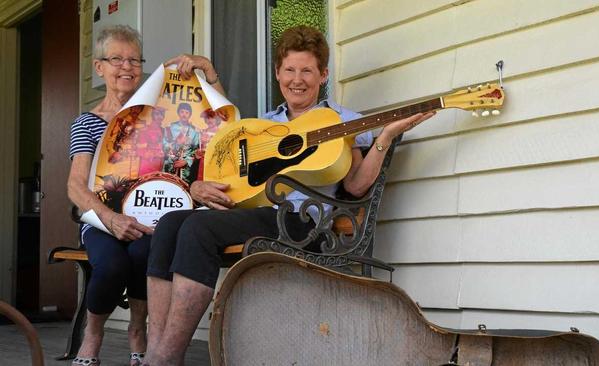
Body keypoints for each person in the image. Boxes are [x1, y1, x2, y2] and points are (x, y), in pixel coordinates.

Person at [142, 25, 434, 366]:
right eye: (290, 70)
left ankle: (166, 357)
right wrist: (199, 187)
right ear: (278, 73)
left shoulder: (340, 121)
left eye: (307, 70)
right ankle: (155, 353)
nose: (297, 79)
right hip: (259, 213)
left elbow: (355, 187)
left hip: (303, 221)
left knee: (197, 229)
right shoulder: (266, 124)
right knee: (169, 223)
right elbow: (226, 158)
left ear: (322, 75)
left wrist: (385, 137)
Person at [66, 24, 226, 366]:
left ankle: (138, 330)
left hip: (151, 219)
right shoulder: (88, 123)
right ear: (99, 67)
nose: (127, 67)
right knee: (110, 266)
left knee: (145, 254)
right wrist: (111, 219)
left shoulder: (159, 118)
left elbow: (219, 124)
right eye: (117, 60)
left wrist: (208, 72)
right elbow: (75, 186)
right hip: (104, 220)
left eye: (134, 60)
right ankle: (93, 333)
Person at [162, 103, 200, 182]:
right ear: (178, 113)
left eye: (187, 112)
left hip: (186, 171)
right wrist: (176, 142)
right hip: (170, 166)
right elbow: (164, 146)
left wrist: (186, 161)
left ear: (190, 114)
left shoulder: (194, 131)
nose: (184, 115)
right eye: (182, 112)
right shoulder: (170, 128)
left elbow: (196, 150)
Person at [136, 107, 166, 176]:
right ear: (153, 115)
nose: (159, 116)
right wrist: (154, 154)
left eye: (161, 114)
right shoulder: (145, 130)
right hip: (147, 166)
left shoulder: (163, 130)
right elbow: (139, 150)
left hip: (159, 167)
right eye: (157, 114)